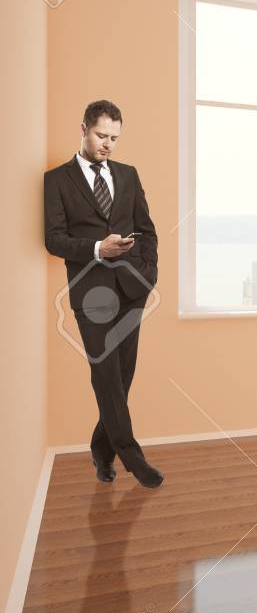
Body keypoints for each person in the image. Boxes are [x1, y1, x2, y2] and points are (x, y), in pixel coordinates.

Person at [44, 100, 163, 488]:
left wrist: (149, 274)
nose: (108, 144)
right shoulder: (57, 180)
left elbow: (146, 228)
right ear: (83, 129)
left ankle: (101, 448)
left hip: (132, 289)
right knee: (105, 374)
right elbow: (54, 239)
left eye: (114, 138)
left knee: (123, 376)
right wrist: (98, 249)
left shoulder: (128, 175)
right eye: (101, 135)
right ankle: (131, 455)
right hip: (90, 291)